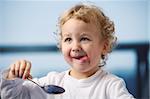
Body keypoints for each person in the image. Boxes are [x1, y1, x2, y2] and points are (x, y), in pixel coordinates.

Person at [0, 3, 135, 99]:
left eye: (84, 38)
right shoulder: (51, 82)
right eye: (68, 39)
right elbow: (13, 95)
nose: (75, 47)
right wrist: (13, 77)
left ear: (104, 46)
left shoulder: (111, 85)